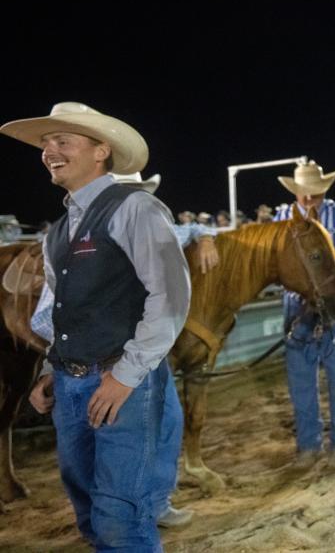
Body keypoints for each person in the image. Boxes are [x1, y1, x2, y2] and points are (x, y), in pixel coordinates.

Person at [1, 102, 191, 550]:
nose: (49, 151)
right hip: (70, 383)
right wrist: (51, 369)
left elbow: (170, 298)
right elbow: (58, 310)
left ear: (101, 150)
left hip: (117, 380)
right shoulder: (59, 231)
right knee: (87, 504)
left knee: (119, 515)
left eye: (62, 141)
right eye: (46, 144)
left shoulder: (137, 208)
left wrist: (124, 376)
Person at [28, 170, 218, 529]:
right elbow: (56, 312)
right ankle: (136, 509)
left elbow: (173, 269)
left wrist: (205, 232)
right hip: (117, 357)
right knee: (152, 429)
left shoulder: (138, 217)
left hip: (132, 356)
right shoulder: (65, 236)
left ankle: (143, 506)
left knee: (160, 425)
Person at [274, 161, 335, 465]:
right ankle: (308, 445)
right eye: (304, 194)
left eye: (314, 193)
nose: (309, 199)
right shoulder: (282, 218)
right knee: (300, 381)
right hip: (298, 309)